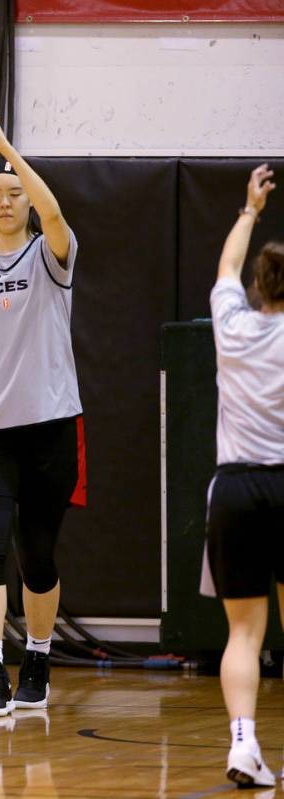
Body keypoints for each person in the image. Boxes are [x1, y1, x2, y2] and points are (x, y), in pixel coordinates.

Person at [0, 102, 86, 717]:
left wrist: (10, 150)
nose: (5, 201)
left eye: (14, 192)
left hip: (52, 426)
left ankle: (38, 657)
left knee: (37, 555)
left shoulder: (53, 253)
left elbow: (53, 211)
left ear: (25, 200)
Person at [202, 164, 284, 789]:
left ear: (260, 286)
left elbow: (225, 270)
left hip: (235, 491)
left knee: (244, 632)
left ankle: (243, 744)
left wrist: (250, 209)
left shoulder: (231, 326)